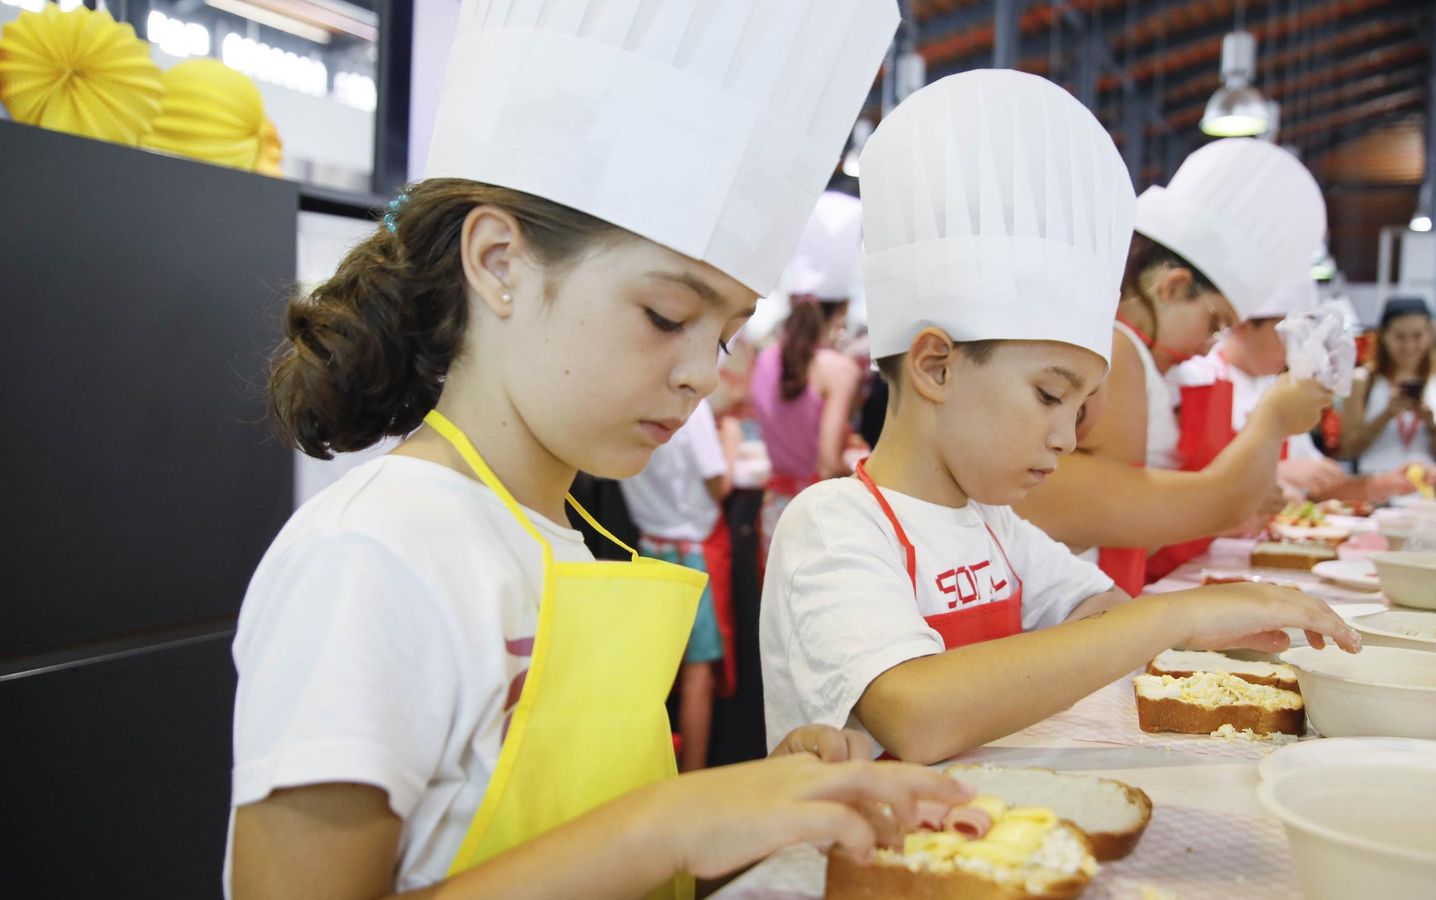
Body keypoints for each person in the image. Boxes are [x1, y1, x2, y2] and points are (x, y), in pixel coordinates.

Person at [227, 3, 973, 898]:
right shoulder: (374, 554)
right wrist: (665, 826)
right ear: (499, 261)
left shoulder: (567, 537)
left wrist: (762, 799)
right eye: (667, 316)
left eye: (728, 333)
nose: (702, 372)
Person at [759, 70, 1361, 765]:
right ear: (935, 366)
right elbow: (918, 716)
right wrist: (1181, 615)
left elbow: (1105, 614)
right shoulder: (833, 525)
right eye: (1050, 396)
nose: (1067, 439)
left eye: (1082, 409)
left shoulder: (993, 524)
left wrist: (1213, 621)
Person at [1016, 139, 1333, 595]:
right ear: (1173, 286)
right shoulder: (1117, 351)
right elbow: (1116, 515)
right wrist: (1273, 420)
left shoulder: (1126, 350)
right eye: (1215, 323)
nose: (1208, 349)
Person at [619, 400, 734, 772]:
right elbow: (718, 483)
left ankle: (650, 769)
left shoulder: (620, 396)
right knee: (697, 674)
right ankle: (690, 780)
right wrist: (730, 439)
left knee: (653, 670)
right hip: (694, 553)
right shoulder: (690, 405)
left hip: (648, 546)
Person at [750, 192, 865, 554]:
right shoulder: (839, 369)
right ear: (842, 310)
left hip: (774, 509)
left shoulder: (765, 357)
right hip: (818, 515)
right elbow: (828, 462)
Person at [1341, 297, 1436, 473]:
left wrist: (1432, 425)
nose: (1409, 345)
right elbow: (1348, 449)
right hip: (1374, 486)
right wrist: (1386, 415)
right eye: (1400, 337)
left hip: (1424, 491)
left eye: (1417, 336)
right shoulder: (1363, 382)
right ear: (1384, 336)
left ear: (1430, 334)